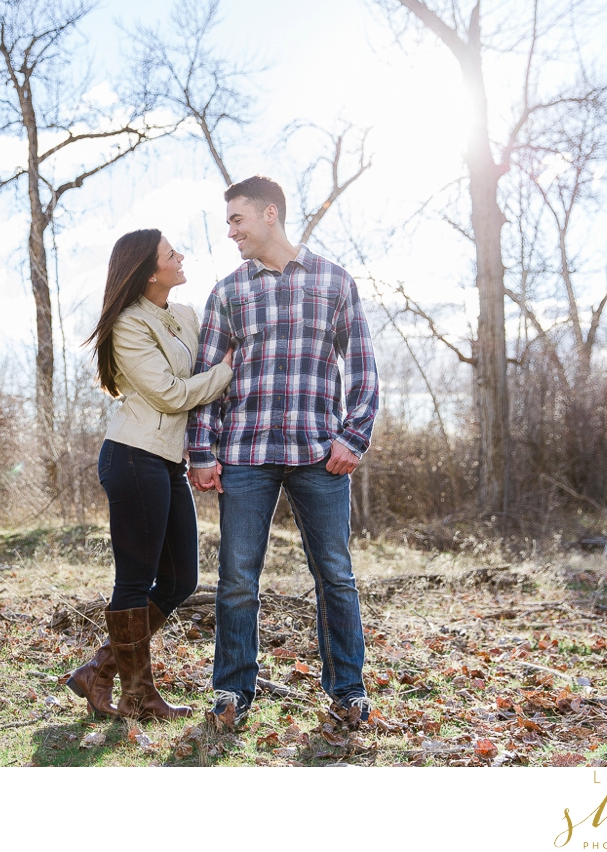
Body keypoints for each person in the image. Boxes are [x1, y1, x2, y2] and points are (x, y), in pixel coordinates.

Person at [187, 175, 379, 731]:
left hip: (320, 455)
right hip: (245, 454)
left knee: (336, 576)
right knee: (237, 578)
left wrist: (354, 436)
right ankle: (231, 693)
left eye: (237, 220)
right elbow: (207, 380)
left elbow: (363, 365)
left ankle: (348, 691)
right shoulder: (228, 292)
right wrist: (202, 450)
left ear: (269, 214)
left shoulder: (333, 282)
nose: (230, 232)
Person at [65, 228, 234, 721]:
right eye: (169, 253)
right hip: (133, 456)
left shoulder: (184, 315)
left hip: (167, 460)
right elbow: (171, 394)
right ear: (147, 270)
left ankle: (100, 668)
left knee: (181, 578)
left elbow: (197, 378)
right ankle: (138, 695)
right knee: (136, 580)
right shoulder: (127, 325)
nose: (180, 256)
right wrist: (226, 370)